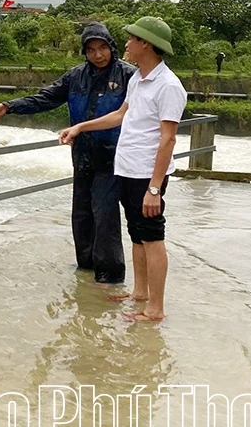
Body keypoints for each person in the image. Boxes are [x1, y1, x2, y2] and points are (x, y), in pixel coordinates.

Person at [0, 23, 136, 283]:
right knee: (82, 216)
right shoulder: (76, 76)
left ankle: (109, 279)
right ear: (84, 52)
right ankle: (85, 276)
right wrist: (9, 106)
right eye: (91, 50)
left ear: (111, 47)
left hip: (113, 157)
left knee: (105, 216)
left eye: (102, 48)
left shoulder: (129, 76)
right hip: (82, 155)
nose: (98, 55)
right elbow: (45, 98)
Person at [59, 16, 187, 322]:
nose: (126, 43)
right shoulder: (138, 79)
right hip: (128, 169)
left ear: (146, 44)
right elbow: (119, 115)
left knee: (152, 237)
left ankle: (155, 308)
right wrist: (80, 127)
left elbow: (168, 139)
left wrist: (154, 188)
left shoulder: (168, 85)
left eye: (132, 39)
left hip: (147, 174)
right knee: (137, 234)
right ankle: (140, 293)